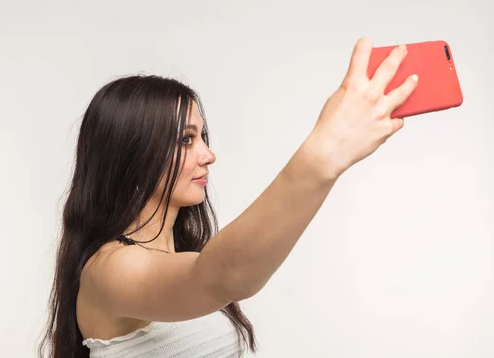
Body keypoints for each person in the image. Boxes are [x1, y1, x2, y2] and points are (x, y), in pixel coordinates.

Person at [38, 37, 418, 358]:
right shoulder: (109, 269)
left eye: (203, 137)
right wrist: (324, 153)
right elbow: (225, 276)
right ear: (132, 152)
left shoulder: (177, 256)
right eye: (186, 139)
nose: (208, 154)